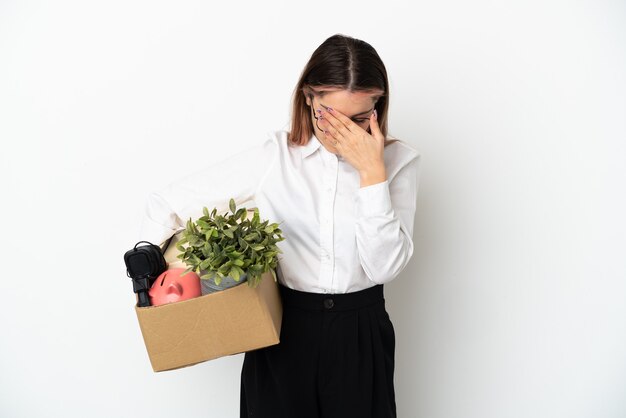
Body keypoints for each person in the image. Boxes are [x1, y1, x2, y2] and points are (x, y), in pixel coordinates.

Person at [138, 33, 421, 418]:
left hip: (361, 332)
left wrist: (373, 172)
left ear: (377, 107)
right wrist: (146, 276)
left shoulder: (399, 163)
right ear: (308, 98)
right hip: (284, 330)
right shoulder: (275, 158)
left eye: (358, 119)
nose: (343, 132)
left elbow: (384, 267)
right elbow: (168, 203)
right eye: (329, 115)